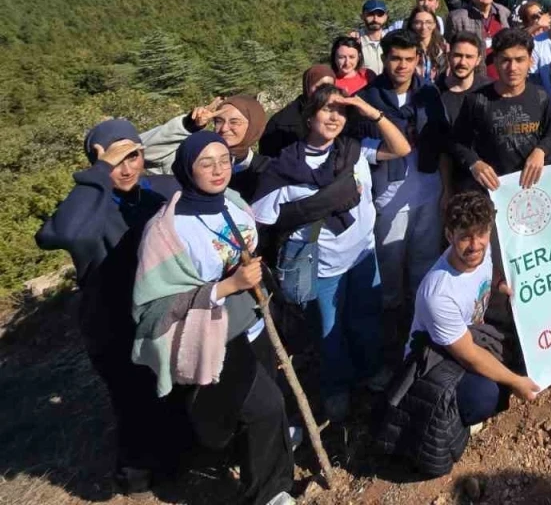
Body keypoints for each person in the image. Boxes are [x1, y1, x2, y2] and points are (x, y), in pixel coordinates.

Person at [132, 132, 296, 505]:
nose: (218, 170)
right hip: (216, 335)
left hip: (253, 319)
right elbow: (155, 305)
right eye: (206, 163)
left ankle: (264, 460)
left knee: (263, 404)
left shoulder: (233, 201)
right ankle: (268, 493)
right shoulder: (167, 230)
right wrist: (225, 286)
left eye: (224, 160)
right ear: (188, 170)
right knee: (265, 406)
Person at [36, 121, 189, 494]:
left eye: (133, 156)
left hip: (154, 317)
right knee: (132, 403)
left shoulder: (153, 197)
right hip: (111, 325)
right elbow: (63, 234)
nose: (126, 168)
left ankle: (173, 458)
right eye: (114, 160)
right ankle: (134, 475)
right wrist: (98, 175)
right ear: (96, 164)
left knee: (166, 390)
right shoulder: (89, 209)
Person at [255, 86, 411, 420]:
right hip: (322, 264)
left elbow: (401, 148)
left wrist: (370, 111)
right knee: (329, 331)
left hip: (362, 254)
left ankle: (370, 371)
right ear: (310, 116)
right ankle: (336, 387)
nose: (334, 117)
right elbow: (261, 218)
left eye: (340, 111)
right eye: (326, 109)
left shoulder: (354, 150)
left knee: (366, 318)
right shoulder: (285, 167)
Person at [396, 190, 539, 465]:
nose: (474, 245)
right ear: (449, 235)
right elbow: (469, 355)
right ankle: (463, 417)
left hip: (469, 335)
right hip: (434, 356)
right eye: (465, 236)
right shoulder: (438, 292)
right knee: (487, 396)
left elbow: (489, 272)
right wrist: (516, 382)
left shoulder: (481, 254)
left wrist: (500, 285)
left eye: (481, 234)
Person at [359, 30, 453, 313]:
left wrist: (446, 188)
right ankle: (390, 317)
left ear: (417, 60)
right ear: (384, 59)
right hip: (389, 196)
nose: (402, 66)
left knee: (424, 258)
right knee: (390, 261)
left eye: (408, 59)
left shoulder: (428, 93)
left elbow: (442, 142)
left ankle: (419, 314)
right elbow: (355, 148)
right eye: (395, 58)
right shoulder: (367, 100)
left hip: (428, 188)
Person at [450, 28, 551, 191]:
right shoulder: (476, 100)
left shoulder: (541, 96)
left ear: (530, 61)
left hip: (534, 187)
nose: (512, 67)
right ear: (495, 62)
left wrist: (541, 151)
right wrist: (475, 164)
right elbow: (458, 143)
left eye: (519, 60)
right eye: (505, 60)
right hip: (493, 191)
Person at [141, 95, 269, 202]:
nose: (224, 128)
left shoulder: (265, 170)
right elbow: (142, 150)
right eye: (219, 121)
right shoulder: (192, 160)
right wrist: (188, 125)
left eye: (234, 122)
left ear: (254, 126)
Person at [445, 0, 512, 80]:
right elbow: (448, 50)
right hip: (472, 80)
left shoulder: (504, 13)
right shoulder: (457, 18)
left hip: (501, 79)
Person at [260, 65, 336, 158]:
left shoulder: (339, 116)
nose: (325, 92)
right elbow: (268, 162)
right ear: (307, 87)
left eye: (329, 87)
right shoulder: (281, 123)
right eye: (319, 87)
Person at [436, 34, 490, 124]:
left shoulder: (489, 91)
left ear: (478, 60)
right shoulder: (433, 93)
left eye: (469, 57)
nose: (462, 62)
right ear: (449, 56)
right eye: (457, 55)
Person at [406, 6, 448, 82]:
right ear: (412, 24)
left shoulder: (444, 48)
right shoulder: (406, 49)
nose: (423, 27)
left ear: (434, 24)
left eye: (428, 22)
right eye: (418, 22)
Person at [358, 0, 391, 74]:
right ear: (362, 16)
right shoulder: (356, 42)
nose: (375, 19)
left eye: (380, 14)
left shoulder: (391, 41)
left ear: (386, 17)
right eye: (370, 14)